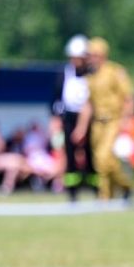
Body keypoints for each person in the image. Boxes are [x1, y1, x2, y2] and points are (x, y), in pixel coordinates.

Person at [76, 37, 134, 200]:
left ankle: (125, 186)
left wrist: (126, 120)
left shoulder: (115, 72)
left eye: (92, 54)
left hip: (113, 121)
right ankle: (106, 198)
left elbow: (128, 98)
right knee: (99, 162)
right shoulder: (90, 77)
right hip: (97, 123)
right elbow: (88, 105)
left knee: (104, 158)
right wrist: (81, 128)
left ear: (101, 55)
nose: (89, 58)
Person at [53, 34, 95, 201]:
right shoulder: (64, 74)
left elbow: (90, 102)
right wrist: (56, 120)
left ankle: (95, 188)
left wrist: (83, 127)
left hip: (88, 118)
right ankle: (72, 191)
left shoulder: (92, 75)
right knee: (70, 155)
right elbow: (56, 99)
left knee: (90, 155)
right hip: (68, 118)